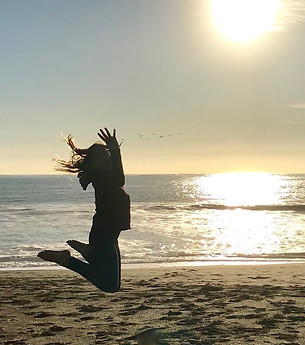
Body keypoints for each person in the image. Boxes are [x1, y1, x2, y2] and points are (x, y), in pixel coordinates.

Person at [38, 128, 130, 293]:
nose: (108, 157)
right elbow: (119, 179)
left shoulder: (104, 177)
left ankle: (86, 254)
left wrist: (115, 153)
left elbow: (118, 178)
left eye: (108, 154)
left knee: (111, 283)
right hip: (104, 234)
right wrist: (116, 152)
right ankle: (69, 260)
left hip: (107, 234)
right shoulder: (103, 178)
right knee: (110, 285)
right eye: (105, 155)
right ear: (97, 163)